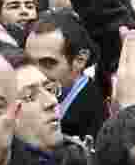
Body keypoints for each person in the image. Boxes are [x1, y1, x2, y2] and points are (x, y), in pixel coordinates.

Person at [25, 12, 107, 140]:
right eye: (29, 62)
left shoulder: (96, 119)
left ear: (80, 59)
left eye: (48, 63)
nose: (35, 74)